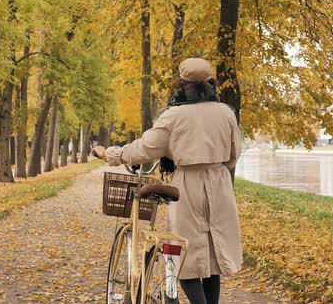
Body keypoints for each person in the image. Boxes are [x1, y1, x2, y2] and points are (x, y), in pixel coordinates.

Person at [104, 58, 243, 304]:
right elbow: (234, 155)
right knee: (212, 260)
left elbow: (145, 148)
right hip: (220, 185)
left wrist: (114, 154)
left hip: (187, 185)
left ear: (181, 83)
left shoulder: (174, 115)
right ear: (210, 82)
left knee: (181, 257)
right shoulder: (226, 113)